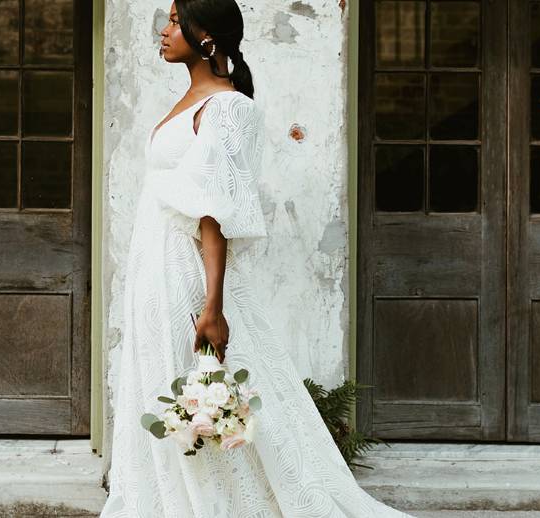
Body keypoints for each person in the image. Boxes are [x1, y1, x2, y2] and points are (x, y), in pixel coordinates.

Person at [99, 1, 417, 516]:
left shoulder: (229, 108)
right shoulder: (189, 101)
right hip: (153, 271)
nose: (164, 29)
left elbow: (214, 214)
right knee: (168, 395)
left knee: (206, 397)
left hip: (187, 277)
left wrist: (213, 306)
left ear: (206, 38)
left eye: (177, 21)